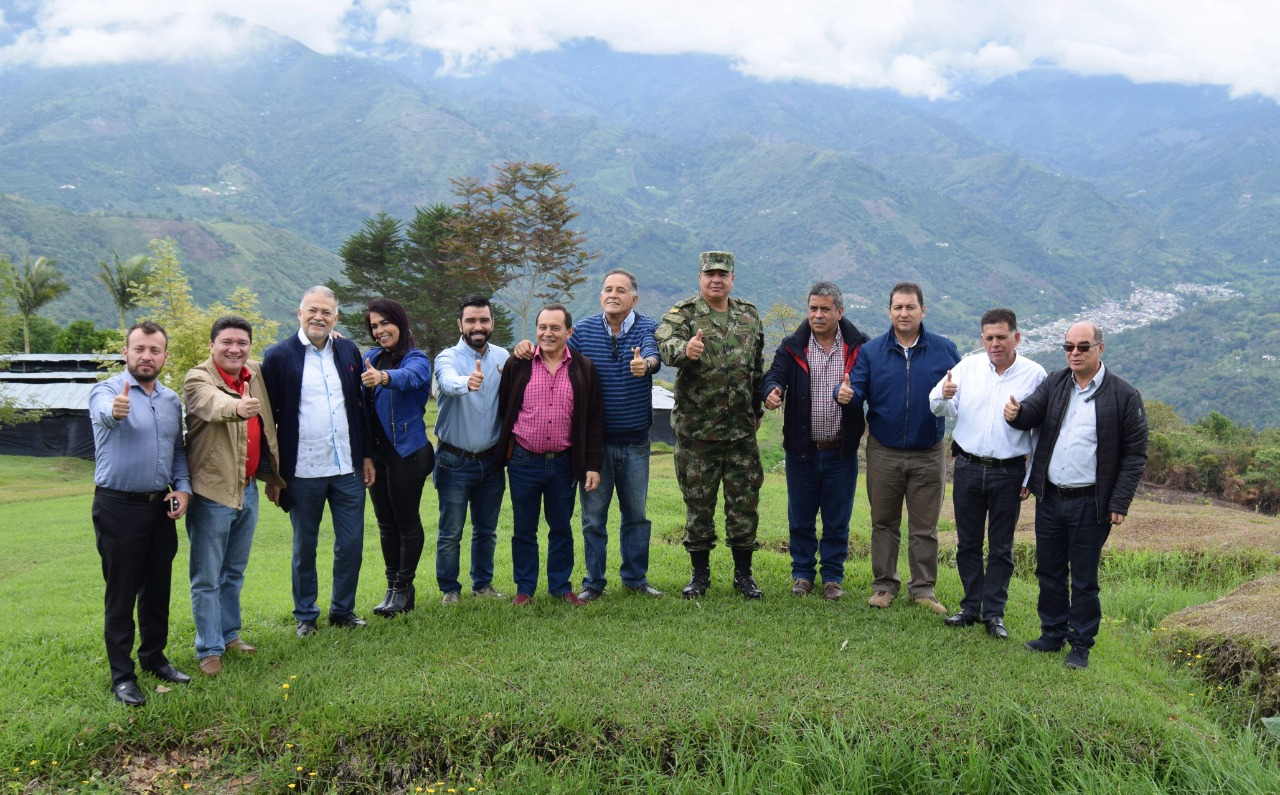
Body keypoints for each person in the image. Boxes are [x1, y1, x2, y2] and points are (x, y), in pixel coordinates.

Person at [1004, 321, 1148, 669]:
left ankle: (1080, 645)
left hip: (1091, 503)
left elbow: (1135, 453)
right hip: (1050, 497)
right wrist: (1017, 414)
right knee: (1049, 571)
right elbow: (1031, 414)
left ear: (1101, 347)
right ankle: (1052, 634)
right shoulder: (1055, 383)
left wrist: (1119, 501)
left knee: (1084, 578)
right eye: (1068, 347)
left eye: (1082, 347)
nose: (1074, 353)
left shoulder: (1124, 395)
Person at [513, 269, 664, 600]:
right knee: (593, 518)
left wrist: (647, 366)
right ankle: (593, 583)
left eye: (620, 290)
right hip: (593, 445)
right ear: (600, 296)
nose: (613, 294)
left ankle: (635, 579)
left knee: (636, 515)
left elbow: (654, 355)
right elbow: (554, 347)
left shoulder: (647, 327)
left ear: (633, 298)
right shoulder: (582, 330)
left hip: (636, 442)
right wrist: (526, 347)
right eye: (607, 289)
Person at [837, 282, 960, 613]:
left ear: (922, 310)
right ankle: (884, 586)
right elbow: (856, 389)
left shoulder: (945, 350)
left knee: (925, 527)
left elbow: (962, 394)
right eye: (897, 307)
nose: (904, 313)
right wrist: (845, 395)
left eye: (910, 307)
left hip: (928, 450)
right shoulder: (872, 351)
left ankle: (923, 590)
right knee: (884, 522)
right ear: (889, 311)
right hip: (884, 451)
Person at [261, 286, 375, 637]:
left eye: (326, 312)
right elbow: (269, 418)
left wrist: (367, 454)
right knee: (304, 546)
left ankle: (343, 610)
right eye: (312, 310)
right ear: (299, 313)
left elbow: (360, 407)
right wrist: (273, 474)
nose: (318, 317)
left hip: (347, 469)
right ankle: (306, 615)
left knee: (351, 543)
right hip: (302, 470)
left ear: (335, 318)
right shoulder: (278, 356)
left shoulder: (348, 350)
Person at [89, 321, 192, 706]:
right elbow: (103, 412)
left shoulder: (170, 401)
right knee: (121, 593)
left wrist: (182, 487)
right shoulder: (107, 391)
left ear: (164, 356)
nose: (146, 356)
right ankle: (122, 676)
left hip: (160, 506)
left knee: (157, 590)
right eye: (139, 349)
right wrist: (115, 412)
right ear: (126, 352)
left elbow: (178, 450)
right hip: (117, 508)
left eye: (154, 351)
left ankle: (154, 659)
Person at [928, 308, 1045, 639]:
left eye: (1002, 337)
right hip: (966, 466)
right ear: (982, 339)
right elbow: (937, 404)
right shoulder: (968, 366)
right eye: (989, 338)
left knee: (1001, 547)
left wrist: (1030, 476)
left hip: (1008, 472)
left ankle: (994, 613)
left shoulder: (1034, 375)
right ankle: (970, 606)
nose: (995, 344)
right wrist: (944, 396)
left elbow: (1040, 431)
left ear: (1016, 337)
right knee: (967, 542)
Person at [656, 251, 766, 600]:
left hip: (740, 432)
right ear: (700, 277)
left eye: (722, 274)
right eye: (709, 274)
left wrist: (760, 404)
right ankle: (699, 575)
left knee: (744, 504)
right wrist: (683, 350)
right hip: (696, 434)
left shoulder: (749, 315)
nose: (715, 279)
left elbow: (757, 366)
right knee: (698, 505)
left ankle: (744, 576)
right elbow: (664, 345)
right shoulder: (683, 314)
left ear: (732, 278)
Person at [183, 315, 286, 677]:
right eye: (227, 342)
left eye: (242, 343)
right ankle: (208, 648)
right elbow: (212, 404)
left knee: (234, 572)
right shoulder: (199, 378)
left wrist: (325, 335)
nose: (234, 349)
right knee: (207, 576)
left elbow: (285, 355)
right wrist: (237, 408)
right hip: (212, 494)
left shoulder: (253, 372)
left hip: (248, 489)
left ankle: (229, 636)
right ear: (212, 345)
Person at [761, 281, 869, 601]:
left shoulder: (858, 347)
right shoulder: (793, 346)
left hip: (840, 451)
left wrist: (855, 395)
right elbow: (774, 375)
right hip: (802, 452)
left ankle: (833, 577)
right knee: (801, 517)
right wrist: (772, 391)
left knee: (837, 519)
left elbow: (870, 384)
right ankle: (803, 574)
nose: (818, 315)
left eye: (824, 309)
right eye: (813, 308)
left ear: (839, 311)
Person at [497, 303, 604, 605]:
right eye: (542, 327)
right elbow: (505, 408)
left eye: (555, 327)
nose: (548, 333)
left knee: (561, 527)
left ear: (569, 331)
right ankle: (524, 589)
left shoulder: (583, 368)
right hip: (523, 460)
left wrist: (592, 465)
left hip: (563, 464)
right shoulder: (518, 364)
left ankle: (560, 587)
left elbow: (594, 419)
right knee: (524, 528)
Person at [433, 296, 510, 604]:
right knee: (451, 531)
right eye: (471, 321)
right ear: (460, 324)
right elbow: (448, 383)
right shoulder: (447, 357)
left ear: (491, 323)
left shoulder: (503, 357)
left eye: (484, 320)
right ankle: (450, 589)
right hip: (454, 460)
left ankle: (483, 585)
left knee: (486, 529)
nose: (478, 327)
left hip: (492, 462)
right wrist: (469, 381)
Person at [360, 298, 434, 616]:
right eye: (374, 326)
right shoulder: (371, 357)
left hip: (409, 452)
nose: (379, 331)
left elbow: (412, 377)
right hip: (378, 457)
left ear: (401, 324)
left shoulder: (416, 359)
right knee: (386, 524)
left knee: (406, 521)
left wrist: (384, 378)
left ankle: (404, 588)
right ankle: (392, 587)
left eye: (385, 323)